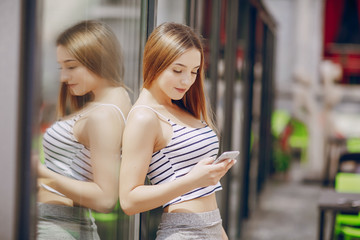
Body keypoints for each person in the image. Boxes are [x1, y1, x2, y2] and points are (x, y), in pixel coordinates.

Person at [119, 22, 236, 240]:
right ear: (155, 62)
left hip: (212, 226)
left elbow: (203, 190)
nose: (187, 80)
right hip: (183, 232)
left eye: (194, 71)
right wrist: (193, 180)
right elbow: (129, 200)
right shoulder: (144, 117)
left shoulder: (178, 106)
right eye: (177, 70)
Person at [37, 20, 132, 239]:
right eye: (61, 67)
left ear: (98, 59)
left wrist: (40, 174)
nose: (63, 77)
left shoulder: (104, 114)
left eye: (71, 67)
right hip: (56, 224)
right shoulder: (108, 103)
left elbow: (105, 199)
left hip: (57, 227)